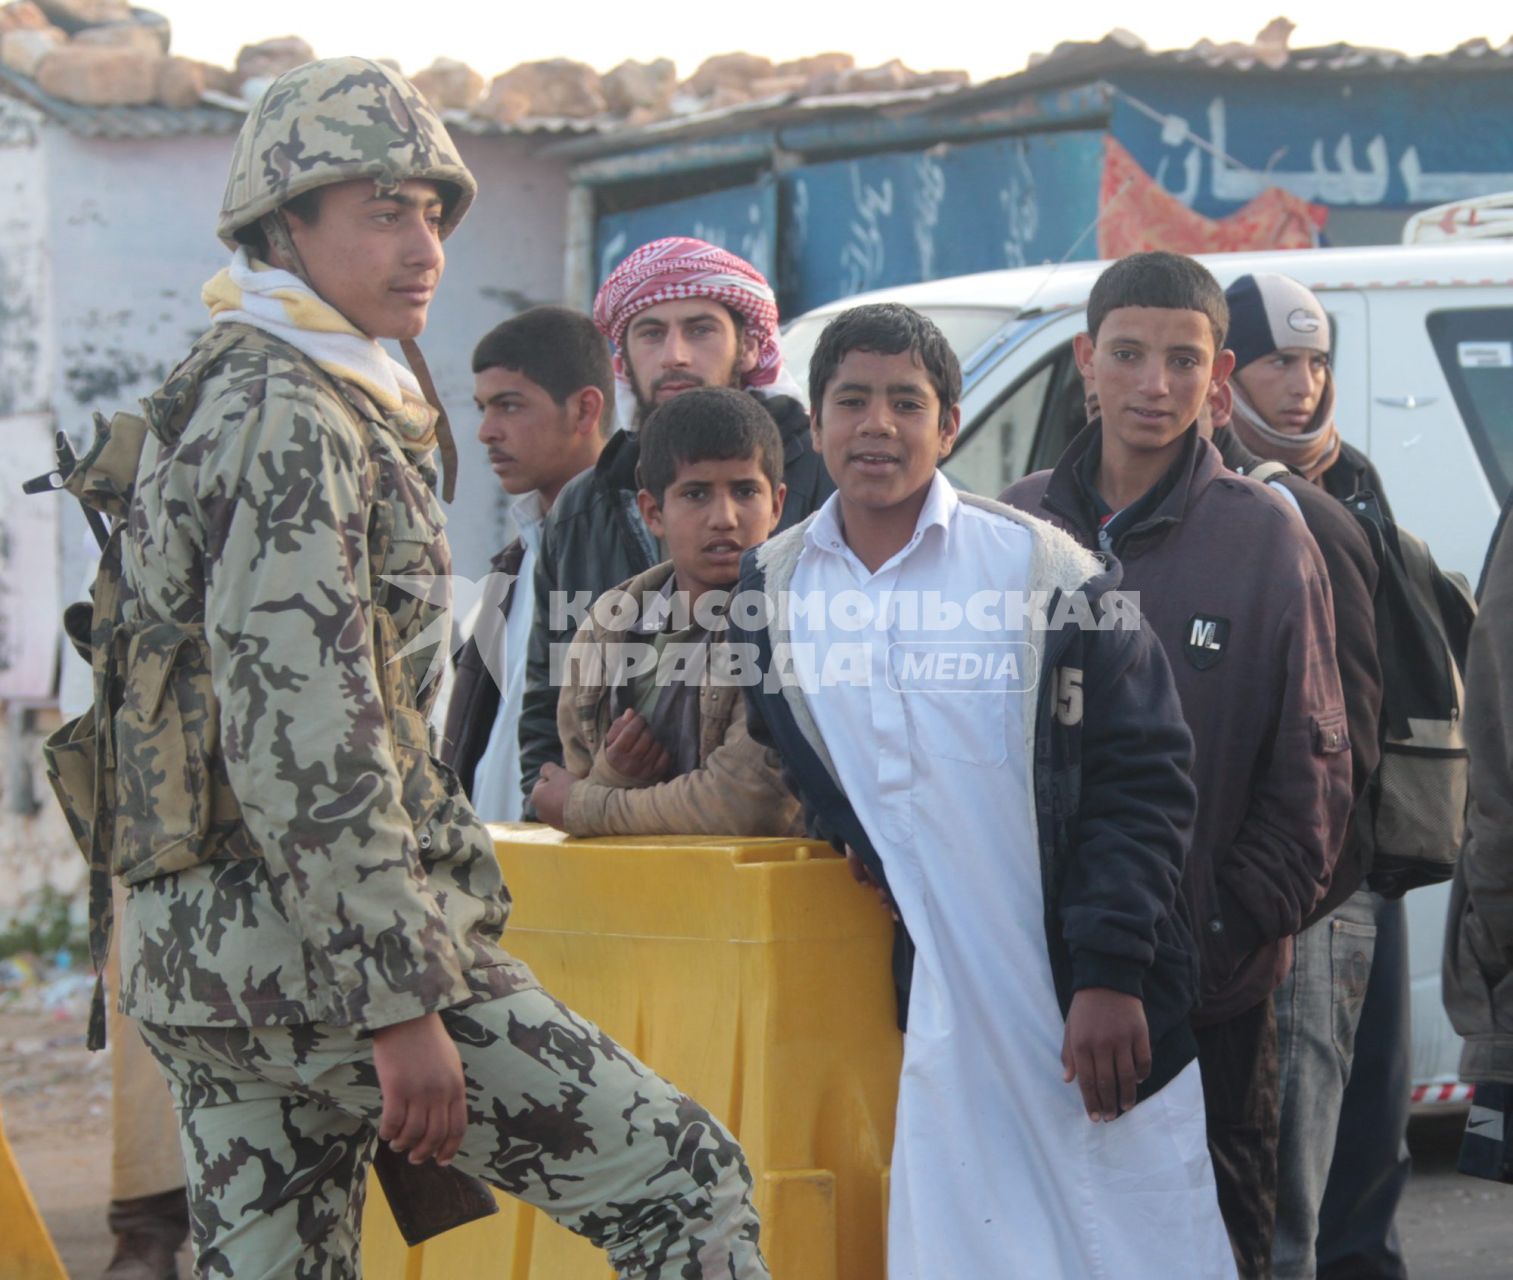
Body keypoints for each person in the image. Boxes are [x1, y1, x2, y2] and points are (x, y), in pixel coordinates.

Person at [107, 57, 765, 1278]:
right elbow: (306, 728)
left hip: (209, 964)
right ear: (282, 225)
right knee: (686, 1181)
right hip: (321, 961)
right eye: (380, 210)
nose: (422, 245)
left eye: (431, 212)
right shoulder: (294, 412)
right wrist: (399, 1000)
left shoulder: (243, 378)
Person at [732, 302, 1236, 1279]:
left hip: (1073, 1005)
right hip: (935, 1017)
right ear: (816, 417)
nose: (876, 425)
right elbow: (795, 754)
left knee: (1132, 1242)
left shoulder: (1046, 574)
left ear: (950, 425)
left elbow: (1145, 777)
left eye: (904, 402)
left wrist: (1111, 972)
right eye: (852, 401)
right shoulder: (775, 587)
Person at [1001, 252, 1352, 1278]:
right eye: (1127, 354)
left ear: (1219, 371)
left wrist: (1190, 957)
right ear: (1085, 362)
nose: (1153, 383)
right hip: (1030, 999)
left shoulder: (1264, 538)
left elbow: (1313, 782)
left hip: (1208, 1007)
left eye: (1182, 359)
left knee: (1209, 1250)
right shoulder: (1016, 530)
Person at [1219, 271, 1410, 1280]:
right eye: (1276, 360)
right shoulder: (1211, 492)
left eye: (1316, 360)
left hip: (1365, 866)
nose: (1299, 383)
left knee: (1365, 1157)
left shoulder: (1352, 480)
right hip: (1291, 884)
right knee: (1283, 1171)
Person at [517, 237, 834, 811]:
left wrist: (589, 805)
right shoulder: (583, 506)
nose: (676, 356)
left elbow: (759, 788)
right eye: (651, 333)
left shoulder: (829, 483)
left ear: (748, 347)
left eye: (701, 329)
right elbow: (546, 705)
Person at [530, 386, 799, 838]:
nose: (725, 517)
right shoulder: (606, 630)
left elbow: (744, 804)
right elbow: (580, 768)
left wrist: (586, 804)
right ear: (653, 511)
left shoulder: (788, 626)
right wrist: (613, 778)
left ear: (776, 505)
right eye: (696, 494)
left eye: (745, 491)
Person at [440, 306, 609, 821]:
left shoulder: (626, 551)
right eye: (483, 408)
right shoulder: (516, 563)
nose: (486, 431)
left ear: (584, 411)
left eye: (509, 407)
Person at [1224, 271, 1391, 516]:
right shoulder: (1198, 470)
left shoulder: (1351, 470)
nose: (1305, 388)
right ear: (1229, 373)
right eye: (1281, 362)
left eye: (1318, 363)